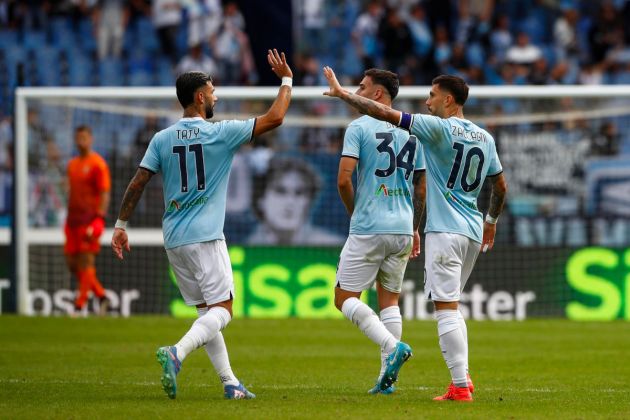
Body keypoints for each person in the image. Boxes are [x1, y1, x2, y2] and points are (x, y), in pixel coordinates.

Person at [111, 49, 293, 400]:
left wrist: (120, 224)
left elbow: (137, 182)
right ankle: (176, 353)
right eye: (212, 91)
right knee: (223, 312)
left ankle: (230, 383)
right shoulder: (220, 133)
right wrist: (286, 80)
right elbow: (275, 118)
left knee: (207, 314)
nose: (216, 96)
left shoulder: (162, 138)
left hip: (175, 239)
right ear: (199, 97)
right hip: (206, 237)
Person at [323, 67, 508, 402]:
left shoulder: (434, 128)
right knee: (440, 304)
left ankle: (458, 385)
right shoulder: (485, 137)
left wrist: (343, 94)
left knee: (445, 308)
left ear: (448, 101)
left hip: (442, 231)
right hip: (470, 230)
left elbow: (383, 112)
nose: (427, 102)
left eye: (432, 96)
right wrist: (491, 219)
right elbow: (500, 185)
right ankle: (455, 376)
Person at [334, 68, 426, 394]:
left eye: (361, 87)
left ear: (377, 94)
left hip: (370, 225)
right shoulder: (414, 133)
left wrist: (354, 210)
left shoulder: (358, 127)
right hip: (403, 227)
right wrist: (415, 229)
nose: (356, 91)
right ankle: (386, 382)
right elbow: (422, 187)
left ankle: (393, 346)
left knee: (343, 298)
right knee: (390, 302)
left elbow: (344, 179)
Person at [65, 125, 111, 314]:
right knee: (72, 263)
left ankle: (79, 306)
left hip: (89, 220)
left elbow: (104, 193)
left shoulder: (98, 164)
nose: (81, 141)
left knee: (86, 262)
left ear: (90, 139)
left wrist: (99, 218)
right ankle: (101, 296)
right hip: (72, 221)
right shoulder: (72, 164)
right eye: (78, 138)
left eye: (84, 137)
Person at [247, 156, 345, 246]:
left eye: (299, 193)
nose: (290, 202)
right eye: (280, 191)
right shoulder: (246, 246)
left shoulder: (333, 246)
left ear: (309, 202)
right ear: (261, 200)